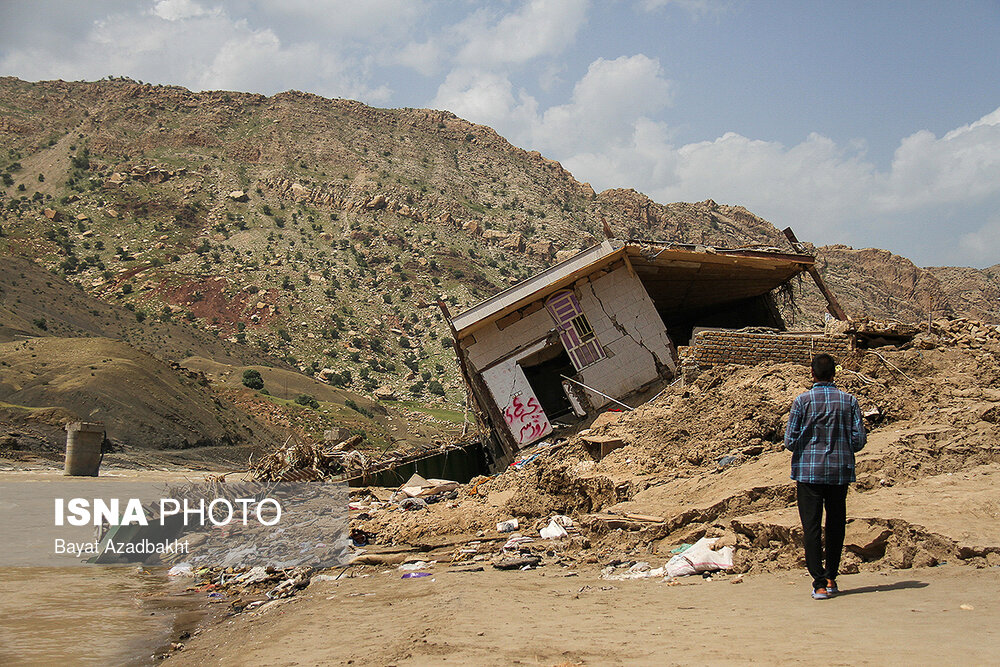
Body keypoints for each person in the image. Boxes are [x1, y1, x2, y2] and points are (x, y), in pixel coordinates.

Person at [784, 353, 866, 600]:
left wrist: (808, 446)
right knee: (835, 525)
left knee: (811, 527)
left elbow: (790, 441)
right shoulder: (849, 401)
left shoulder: (802, 401)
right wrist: (842, 447)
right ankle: (831, 577)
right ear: (834, 374)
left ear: (812, 373)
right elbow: (859, 440)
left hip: (808, 473)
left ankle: (818, 583)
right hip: (839, 472)